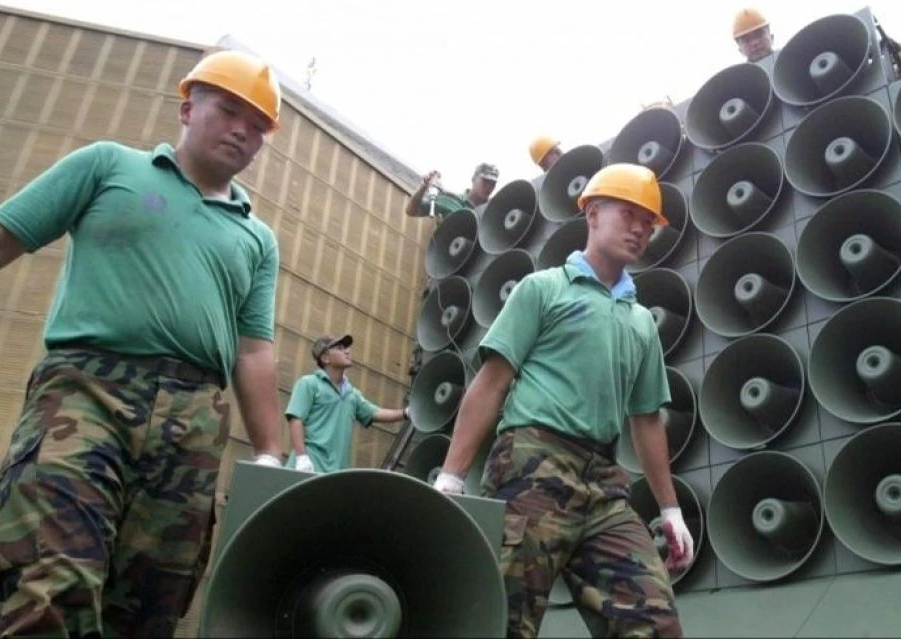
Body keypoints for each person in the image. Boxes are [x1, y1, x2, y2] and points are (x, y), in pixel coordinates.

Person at [0, 49, 290, 637]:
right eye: (229, 110)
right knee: (52, 576)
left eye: (259, 125)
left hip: (194, 422)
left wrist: (272, 454)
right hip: (86, 393)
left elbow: (253, 350)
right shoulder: (108, 167)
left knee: (150, 604)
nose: (244, 130)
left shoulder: (256, 238)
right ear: (187, 107)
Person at [431, 162, 695, 638]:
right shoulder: (544, 289)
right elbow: (492, 383)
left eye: (648, 222)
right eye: (628, 212)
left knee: (654, 622)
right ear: (592, 213)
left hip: (605, 482)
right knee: (503, 620)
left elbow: (647, 421)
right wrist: (451, 474)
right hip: (532, 464)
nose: (640, 228)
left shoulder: (640, 324)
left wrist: (670, 509)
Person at [286, 334, 411, 473]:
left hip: (335, 474)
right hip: (309, 466)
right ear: (325, 358)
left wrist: (407, 413)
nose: (347, 351)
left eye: (346, 348)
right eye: (340, 348)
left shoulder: (352, 394)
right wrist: (302, 458)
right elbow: (296, 419)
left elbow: (375, 413)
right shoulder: (309, 383)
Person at [403, 162, 499, 220]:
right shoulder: (451, 201)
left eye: (492, 184)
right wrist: (423, 187)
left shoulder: (490, 213)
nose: (489, 187)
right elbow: (411, 211)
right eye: (485, 181)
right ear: (473, 178)